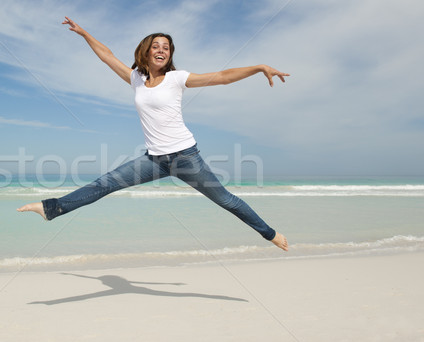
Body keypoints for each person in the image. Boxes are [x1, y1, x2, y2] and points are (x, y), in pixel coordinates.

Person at [18, 16, 289, 251]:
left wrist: (258, 67)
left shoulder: (177, 78)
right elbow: (107, 55)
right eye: (156, 46)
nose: (161, 50)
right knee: (106, 183)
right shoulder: (136, 79)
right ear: (146, 52)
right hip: (154, 161)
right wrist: (85, 34)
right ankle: (52, 208)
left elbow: (222, 76)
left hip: (185, 157)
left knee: (226, 201)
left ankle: (271, 234)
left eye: (166, 47)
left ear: (170, 54)